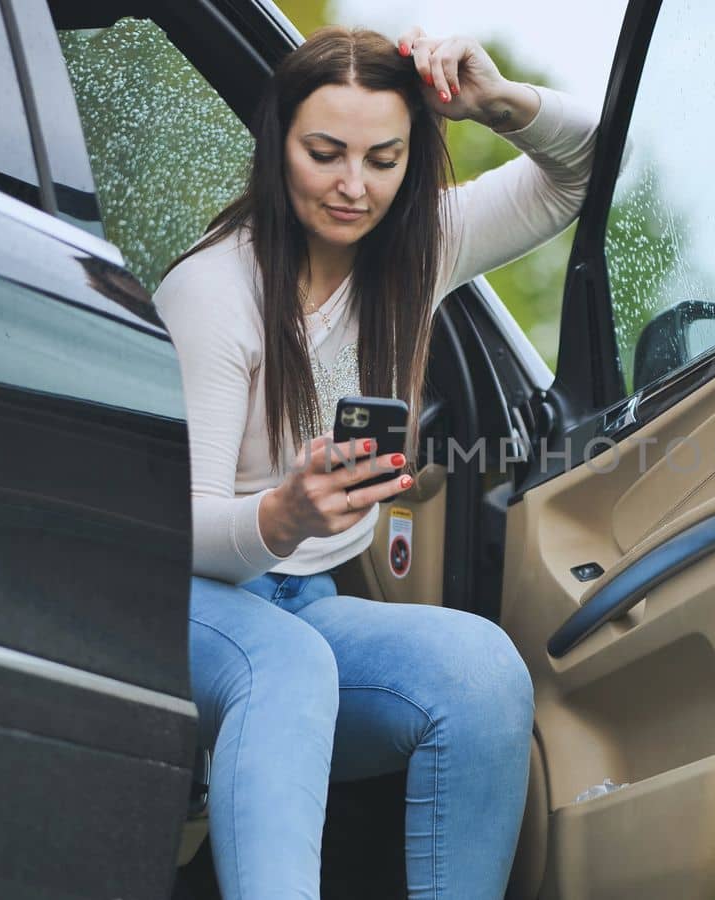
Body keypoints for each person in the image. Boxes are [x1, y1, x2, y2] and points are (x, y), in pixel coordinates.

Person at [152, 23, 598, 900]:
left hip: (306, 605)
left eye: (383, 158)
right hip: (181, 602)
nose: (354, 186)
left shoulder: (414, 249)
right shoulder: (215, 293)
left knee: (481, 672)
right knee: (284, 664)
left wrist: (498, 102)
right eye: (324, 153)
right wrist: (280, 517)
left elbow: (584, 167)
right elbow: (173, 531)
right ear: (278, 143)